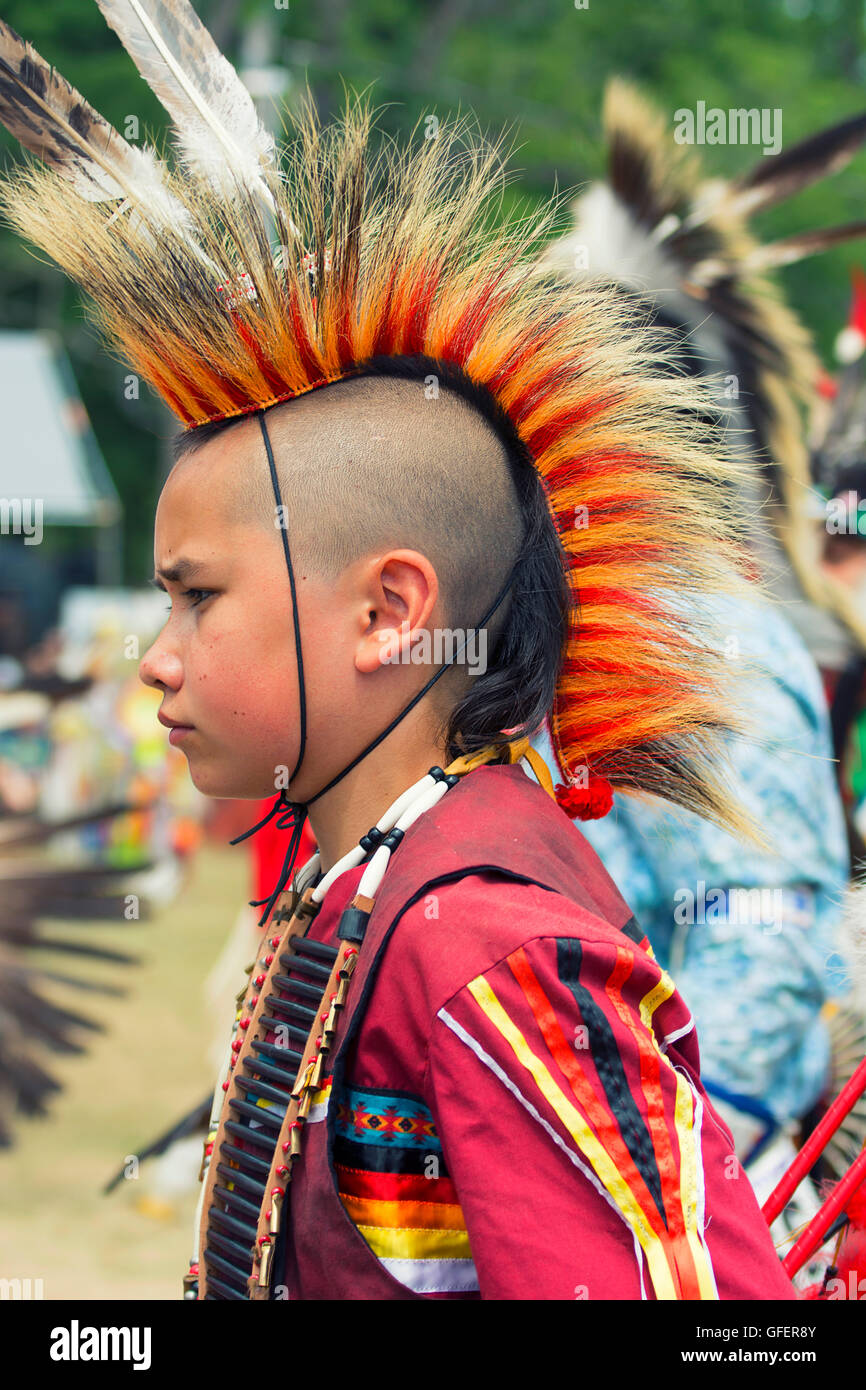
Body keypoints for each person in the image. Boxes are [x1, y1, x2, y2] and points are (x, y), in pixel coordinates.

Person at [0, 5, 795, 1299]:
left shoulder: (490, 946)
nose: (155, 658)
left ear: (386, 613)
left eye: (199, 597)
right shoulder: (370, 887)